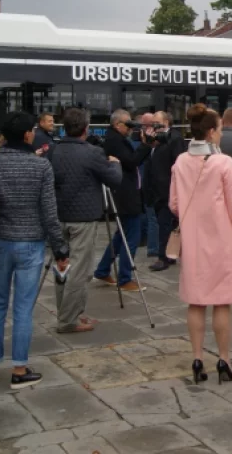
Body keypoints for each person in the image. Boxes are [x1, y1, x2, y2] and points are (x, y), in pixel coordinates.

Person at [0, 112, 69, 390]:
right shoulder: (40, 167)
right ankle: (19, 369)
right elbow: (49, 213)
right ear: (28, 135)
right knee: (23, 308)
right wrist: (59, 246)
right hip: (31, 243)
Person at [171, 104, 232, 385]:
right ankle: (223, 359)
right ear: (210, 132)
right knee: (221, 302)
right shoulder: (223, 163)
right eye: (218, 129)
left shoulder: (180, 161)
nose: (220, 133)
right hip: (221, 240)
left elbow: (174, 203)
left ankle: (196, 358)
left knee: (196, 302)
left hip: (193, 241)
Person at [49, 108, 122, 333]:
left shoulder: (52, 150)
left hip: (57, 216)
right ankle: (68, 320)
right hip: (83, 218)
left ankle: (69, 313)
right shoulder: (92, 152)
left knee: (62, 268)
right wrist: (115, 163)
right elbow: (114, 180)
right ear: (85, 128)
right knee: (79, 271)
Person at [93, 109, 152, 291]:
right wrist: (146, 145)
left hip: (124, 192)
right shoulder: (116, 141)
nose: (130, 128)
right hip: (126, 194)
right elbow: (132, 162)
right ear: (117, 124)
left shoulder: (116, 139)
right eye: (128, 124)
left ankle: (102, 270)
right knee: (132, 236)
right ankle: (125, 278)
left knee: (121, 236)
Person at [148, 111, 188, 272]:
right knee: (164, 223)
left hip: (168, 190)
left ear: (166, 122)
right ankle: (170, 254)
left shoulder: (175, 138)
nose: (153, 125)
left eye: (156, 122)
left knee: (165, 224)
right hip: (156, 190)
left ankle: (163, 257)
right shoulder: (155, 139)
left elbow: (178, 164)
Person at [133, 112, 160, 259]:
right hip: (144, 180)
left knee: (146, 213)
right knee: (150, 214)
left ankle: (144, 240)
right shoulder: (146, 141)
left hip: (144, 179)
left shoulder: (139, 138)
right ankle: (152, 247)